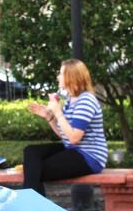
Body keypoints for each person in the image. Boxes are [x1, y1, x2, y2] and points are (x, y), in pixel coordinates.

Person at [23, 59, 108, 197]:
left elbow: (74, 138)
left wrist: (57, 112)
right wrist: (49, 117)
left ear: (71, 77)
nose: (58, 77)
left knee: (35, 170)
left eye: (61, 74)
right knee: (31, 152)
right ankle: (33, 208)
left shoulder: (86, 100)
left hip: (89, 157)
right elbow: (65, 136)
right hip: (74, 150)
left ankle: (31, 208)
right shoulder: (71, 100)